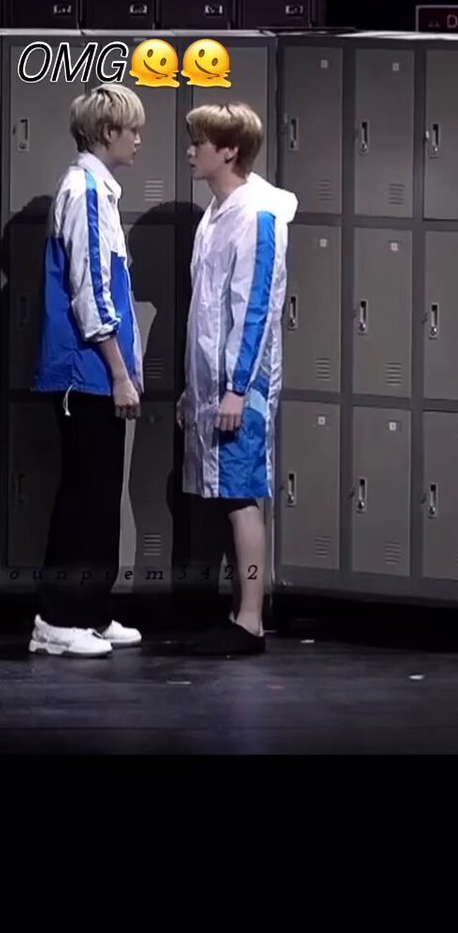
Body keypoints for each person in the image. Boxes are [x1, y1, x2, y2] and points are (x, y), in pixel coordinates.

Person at [177, 102, 298, 655]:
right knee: (228, 498)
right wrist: (195, 389)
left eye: (199, 142)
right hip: (215, 386)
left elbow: (256, 310)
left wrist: (236, 388)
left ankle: (250, 620)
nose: (190, 152)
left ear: (229, 151)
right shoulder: (217, 214)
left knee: (242, 496)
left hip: (241, 388)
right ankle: (239, 613)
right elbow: (206, 313)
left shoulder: (257, 215)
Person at [29, 83, 145, 658]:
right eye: (132, 130)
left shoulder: (98, 191)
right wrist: (119, 373)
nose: (139, 140)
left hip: (95, 372)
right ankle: (57, 618)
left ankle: (92, 611)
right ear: (106, 133)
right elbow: (92, 293)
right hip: (86, 372)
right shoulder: (87, 192)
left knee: (99, 496)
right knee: (83, 497)